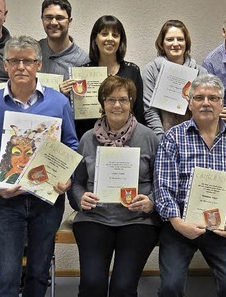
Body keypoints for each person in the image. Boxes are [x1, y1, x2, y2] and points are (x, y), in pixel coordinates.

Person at [0, 35, 78, 297]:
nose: (21, 66)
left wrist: (67, 178)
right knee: (7, 274)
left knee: (38, 271)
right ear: (5, 65)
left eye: (28, 61)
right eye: (15, 61)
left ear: (38, 64)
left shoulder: (59, 102)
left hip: (47, 202)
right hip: (7, 202)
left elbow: (71, 145)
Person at [154, 74, 226, 296]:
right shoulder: (173, 137)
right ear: (189, 104)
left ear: (222, 104)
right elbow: (163, 188)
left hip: (223, 227)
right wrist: (178, 223)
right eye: (199, 97)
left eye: (213, 98)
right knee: (170, 287)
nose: (206, 103)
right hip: (179, 224)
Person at [69, 76, 160, 297]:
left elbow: (162, 183)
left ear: (131, 103)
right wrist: (80, 198)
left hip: (137, 221)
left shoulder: (148, 137)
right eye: (110, 99)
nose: (117, 105)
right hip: (95, 218)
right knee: (92, 285)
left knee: (123, 288)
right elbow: (77, 182)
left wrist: (151, 202)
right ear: (102, 103)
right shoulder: (88, 139)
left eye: (123, 99)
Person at [62, 15, 145, 138]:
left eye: (115, 35)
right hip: (90, 139)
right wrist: (64, 96)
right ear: (95, 38)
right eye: (104, 34)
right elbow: (74, 116)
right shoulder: (82, 72)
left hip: (126, 140)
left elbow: (138, 112)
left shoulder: (132, 71)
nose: (110, 38)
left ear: (120, 41)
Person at [143, 20, 208, 137]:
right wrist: (161, 139)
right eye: (169, 39)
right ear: (162, 43)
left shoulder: (201, 73)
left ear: (186, 42)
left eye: (180, 39)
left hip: (194, 137)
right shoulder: (151, 70)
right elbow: (150, 111)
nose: (175, 43)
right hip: (162, 137)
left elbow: (204, 111)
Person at [38, 0, 90, 78]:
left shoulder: (83, 61)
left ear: (70, 21)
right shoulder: (32, 51)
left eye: (60, 18)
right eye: (48, 17)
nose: (54, 22)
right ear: (42, 19)